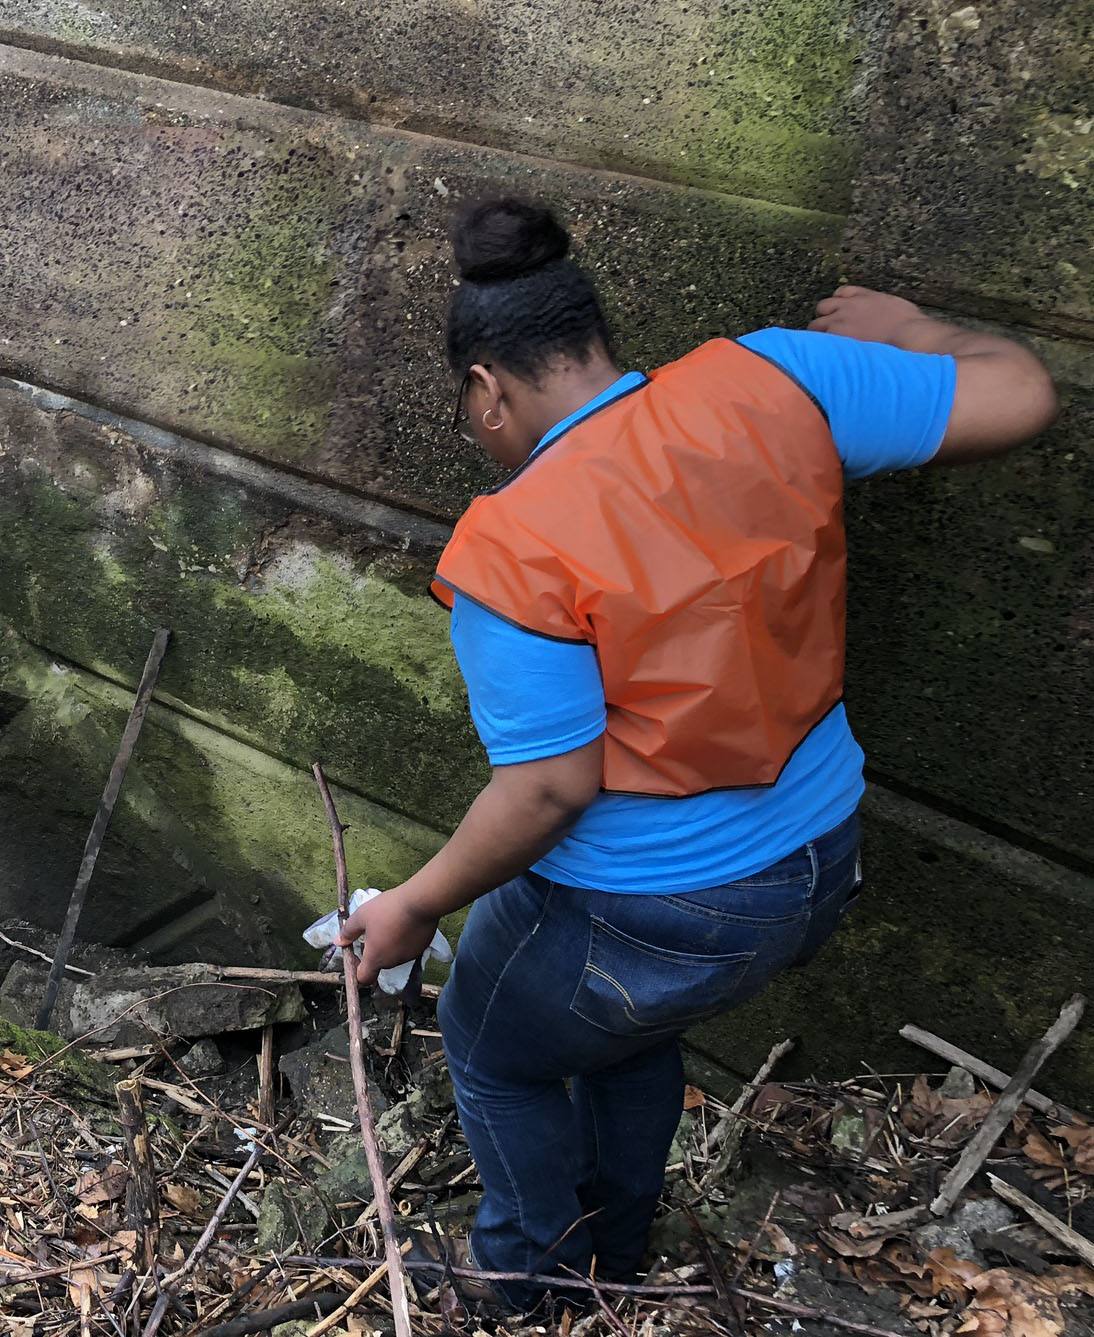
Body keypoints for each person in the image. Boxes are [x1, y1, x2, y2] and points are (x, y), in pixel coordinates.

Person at [338, 197, 1057, 1307]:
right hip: (818, 859)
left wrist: (415, 903)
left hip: (660, 903)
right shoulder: (773, 381)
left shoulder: (512, 549)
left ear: (485, 386)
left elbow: (545, 788)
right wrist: (910, 325)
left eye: (463, 408)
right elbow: (1018, 392)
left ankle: (526, 1277)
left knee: (488, 1039)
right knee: (621, 1027)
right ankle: (610, 1256)